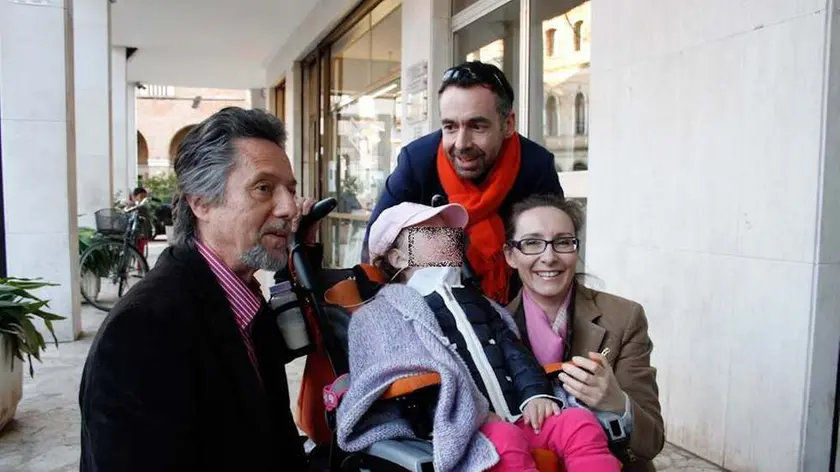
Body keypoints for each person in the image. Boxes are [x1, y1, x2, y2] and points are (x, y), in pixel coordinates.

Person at [79, 107, 316, 471]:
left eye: (291, 190)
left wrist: (302, 259)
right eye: (264, 188)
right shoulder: (141, 331)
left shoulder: (243, 296)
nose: (288, 207)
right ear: (201, 202)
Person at [338, 202, 619, 472]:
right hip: (460, 427)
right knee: (503, 442)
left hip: (519, 412)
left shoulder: (481, 303)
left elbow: (514, 352)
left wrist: (536, 394)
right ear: (398, 257)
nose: (447, 238)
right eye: (431, 234)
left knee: (579, 423)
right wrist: (473, 416)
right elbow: (392, 376)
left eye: (449, 232)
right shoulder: (380, 314)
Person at [361, 60, 564, 305]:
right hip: (428, 310)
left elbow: (554, 253)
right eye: (450, 126)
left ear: (508, 124)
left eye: (477, 126)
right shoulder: (417, 161)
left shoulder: (535, 166)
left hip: (517, 311)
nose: (461, 143)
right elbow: (377, 251)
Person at [503, 194, 665, 471]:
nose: (549, 257)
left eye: (563, 242)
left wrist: (616, 402)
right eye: (532, 243)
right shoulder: (492, 327)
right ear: (510, 255)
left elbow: (652, 442)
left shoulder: (624, 317)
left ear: (576, 250)